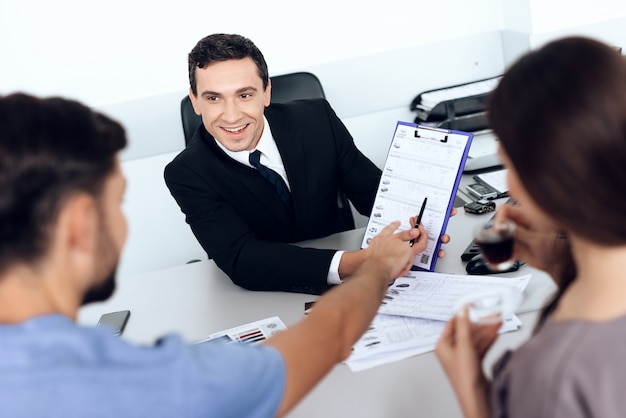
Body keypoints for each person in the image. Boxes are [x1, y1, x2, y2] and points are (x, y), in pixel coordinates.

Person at [0, 93, 428, 416]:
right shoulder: (132, 382)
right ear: (80, 225)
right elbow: (325, 338)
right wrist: (374, 268)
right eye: (118, 203)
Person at [164, 33, 450, 294]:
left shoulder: (316, 120)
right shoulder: (187, 173)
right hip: (268, 295)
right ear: (196, 102)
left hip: (358, 289)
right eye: (214, 98)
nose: (231, 116)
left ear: (266, 93)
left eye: (244, 95)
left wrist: (414, 230)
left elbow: (375, 195)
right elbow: (241, 257)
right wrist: (358, 262)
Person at [435, 36, 626, 417]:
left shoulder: (551, 376)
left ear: (540, 178)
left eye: (508, 165)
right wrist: (561, 263)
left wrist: (473, 392)